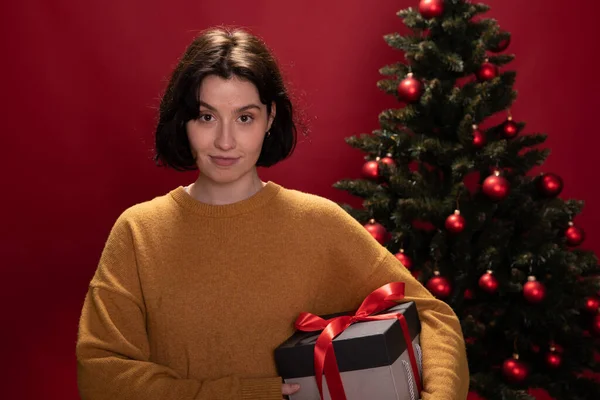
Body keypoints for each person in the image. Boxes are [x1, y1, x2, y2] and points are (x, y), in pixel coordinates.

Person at [76, 26, 469, 400]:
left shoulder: (317, 223)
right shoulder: (138, 231)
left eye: (244, 117)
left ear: (271, 119)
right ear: (184, 121)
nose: (225, 141)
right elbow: (102, 374)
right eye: (206, 116)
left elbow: (433, 316)